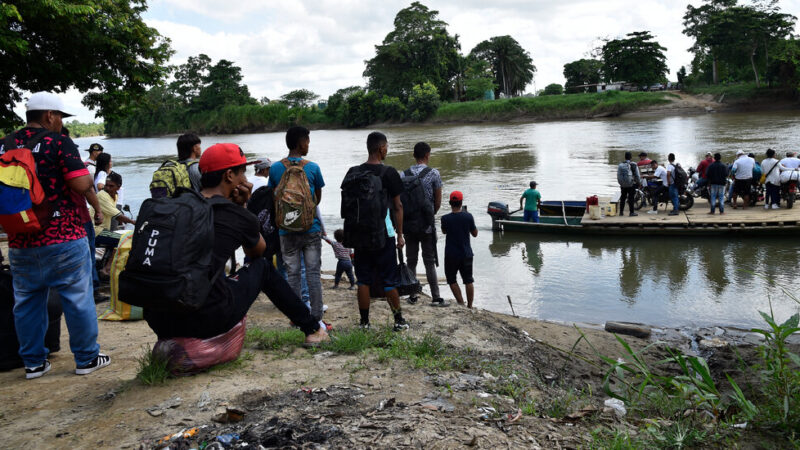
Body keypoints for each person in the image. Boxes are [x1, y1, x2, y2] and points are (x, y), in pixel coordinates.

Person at [143, 143, 329, 346]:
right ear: (229, 176)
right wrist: (243, 207)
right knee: (264, 267)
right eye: (243, 172)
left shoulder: (180, 203)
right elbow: (258, 252)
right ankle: (313, 329)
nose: (246, 179)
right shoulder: (234, 213)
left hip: (158, 319)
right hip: (202, 320)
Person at [3, 91, 110, 378]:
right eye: (60, 117)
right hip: (62, 235)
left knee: (26, 300)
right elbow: (80, 183)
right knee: (77, 297)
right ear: (50, 115)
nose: (61, 123)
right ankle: (87, 359)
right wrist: (88, 176)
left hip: (20, 238)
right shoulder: (58, 143)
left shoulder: (5, 144)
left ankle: (34, 363)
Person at [341, 131, 409, 331]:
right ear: (381, 148)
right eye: (386, 146)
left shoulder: (354, 172)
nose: (387, 150)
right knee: (389, 279)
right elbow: (398, 207)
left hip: (359, 234)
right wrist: (400, 235)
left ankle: (364, 323)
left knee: (363, 279)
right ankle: (398, 321)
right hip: (383, 234)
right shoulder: (389, 173)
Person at [268, 126, 326, 328]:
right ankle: (317, 318)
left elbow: (273, 197)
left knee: (292, 275)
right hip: (310, 229)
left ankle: (296, 318)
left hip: (286, 230)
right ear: (301, 143)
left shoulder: (275, 169)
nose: (308, 145)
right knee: (312, 274)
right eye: (307, 141)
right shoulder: (313, 168)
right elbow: (316, 198)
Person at [400, 141, 445, 306]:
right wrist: (429, 216)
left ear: (414, 155)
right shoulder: (434, 173)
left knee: (411, 260)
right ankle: (436, 297)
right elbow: (438, 202)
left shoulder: (403, 174)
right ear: (427, 155)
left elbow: (399, 202)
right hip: (426, 225)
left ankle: (412, 295)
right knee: (429, 261)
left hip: (409, 224)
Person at [441, 191, 478, 308]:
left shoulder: (445, 218)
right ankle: (470, 306)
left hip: (451, 254)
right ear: (461, 203)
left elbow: (444, 231)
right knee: (468, 280)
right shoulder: (468, 216)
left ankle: (461, 303)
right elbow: (475, 234)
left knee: (451, 279)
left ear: (450, 203)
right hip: (466, 253)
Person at [150, 133, 202, 198]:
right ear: (194, 148)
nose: (200, 148)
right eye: (199, 145)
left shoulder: (172, 166)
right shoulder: (196, 168)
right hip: (193, 205)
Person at [617, 152, 640, 217]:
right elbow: (637, 176)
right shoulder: (634, 164)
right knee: (631, 198)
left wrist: (621, 183)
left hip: (623, 184)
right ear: (631, 157)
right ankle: (631, 212)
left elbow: (618, 175)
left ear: (625, 157)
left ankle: (621, 212)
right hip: (630, 184)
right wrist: (639, 183)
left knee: (623, 198)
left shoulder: (620, 165)